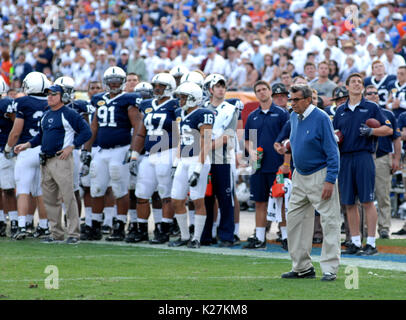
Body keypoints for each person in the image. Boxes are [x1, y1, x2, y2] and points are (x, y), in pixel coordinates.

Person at [276, 84, 341, 281]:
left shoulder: (321, 118)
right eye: (291, 99)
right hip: (299, 175)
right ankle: (302, 267)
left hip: (320, 175)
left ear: (307, 99)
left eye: (295, 100)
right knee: (294, 220)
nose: (292, 103)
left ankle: (330, 268)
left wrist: (330, 180)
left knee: (330, 221)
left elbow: (333, 151)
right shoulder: (294, 116)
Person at [14, 85, 92, 244]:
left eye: (53, 94)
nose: (49, 97)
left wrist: (72, 146)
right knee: (49, 199)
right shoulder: (46, 114)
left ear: (62, 97)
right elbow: (40, 137)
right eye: (48, 94)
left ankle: (73, 233)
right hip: (46, 160)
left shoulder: (69, 114)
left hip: (61, 159)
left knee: (68, 197)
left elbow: (87, 132)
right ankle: (56, 232)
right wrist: (27, 145)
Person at [333, 73, 393, 256]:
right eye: (354, 82)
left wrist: (372, 130)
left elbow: (388, 128)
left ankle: (371, 243)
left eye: (360, 82)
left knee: (367, 200)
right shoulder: (340, 111)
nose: (358, 84)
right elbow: (334, 132)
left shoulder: (372, 107)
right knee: (349, 202)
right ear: (347, 87)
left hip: (364, 156)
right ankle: (355, 242)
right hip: (345, 158)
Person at [81, 66, 143, 242]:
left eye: (117, 81)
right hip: (101, 151)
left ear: (122, 82)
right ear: (106, 83)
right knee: (96, 187)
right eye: (111, 81)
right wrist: (86, 149)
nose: (114, 84)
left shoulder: (128, 100)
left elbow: (138, 125)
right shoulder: (99, 99)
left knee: (119, 188)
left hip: (121, 149)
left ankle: (119, 225)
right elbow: (94, 126)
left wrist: (133, 150)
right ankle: (95, 225)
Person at [129, 72, 179, 244]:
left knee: (166, 193)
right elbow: (141, 132)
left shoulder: (176, 105)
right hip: (150, 154)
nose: (157, 89)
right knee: (141, 192)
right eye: (155, 85)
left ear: (170, 87)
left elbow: (180, 132)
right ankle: (141, 229)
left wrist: (178, 158)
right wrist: (134, 155)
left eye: (161, 86)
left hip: (168, 151)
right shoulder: (146, 104)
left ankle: (164, 230)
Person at [243, 80, 289, 249]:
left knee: (282, 201)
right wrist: (251, 151)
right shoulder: (252, 116)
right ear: (256, 94)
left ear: (270, 91)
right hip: (258, 166)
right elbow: (247, 139)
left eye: (264, 89)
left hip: (277, 165)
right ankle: (260, 238)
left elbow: (287, 140)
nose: (262, 92)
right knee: (260, 202)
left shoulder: (282, 114)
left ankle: (285, 237)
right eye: (259, 90)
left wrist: (286, 163)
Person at [4, 72, 50, 239]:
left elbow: (16, 131)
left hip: (26, 148)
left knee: (23, 190)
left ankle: (22, 226)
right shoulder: (50, 101)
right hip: (44, 150)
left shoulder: (22, 102)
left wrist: (8, 148)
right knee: (40, 191)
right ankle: (44, 226)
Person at [169, 82, 214, 248]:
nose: (180, 100)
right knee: (176, 200)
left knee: (197, 200)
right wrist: (175, 162)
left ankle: (196, 238)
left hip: (198, 160)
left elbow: (206, 142)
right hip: (183, 160)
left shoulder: (204, 114)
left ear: (193, 98)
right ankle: (184, 235)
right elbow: (180, 140)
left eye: (184, 97)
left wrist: (198, 168)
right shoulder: (180, 113)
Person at [200, 74, 239, 247]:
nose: (221, 89)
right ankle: (205, 234)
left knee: (225, 197)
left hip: (222, 158)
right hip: (205, 159)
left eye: (223, 86)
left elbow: (228, 136)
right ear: (210, 89)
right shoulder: (202, 108)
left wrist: (206, 147)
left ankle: (227, 235)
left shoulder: (230, 109)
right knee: (206, 197)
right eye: (217, 86)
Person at [364, 85, 401, 239]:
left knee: (383, 194)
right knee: (364, 195)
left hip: (382, 157)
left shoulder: (388, 114)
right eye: (369, 93)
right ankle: (365, 227)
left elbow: (396, 137)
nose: (373, 95)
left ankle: (384, 227)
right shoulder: (361, 113)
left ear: (379, 96)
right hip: (364, 158)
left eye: (375, 93)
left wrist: (396, 159)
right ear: (364, 96)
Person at [0, 77, 17, 237]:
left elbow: (16, 123)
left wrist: (10, 145)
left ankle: (14, 221)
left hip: (3, 150)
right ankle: (1, 221)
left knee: (8, 188)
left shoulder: (6, 103)